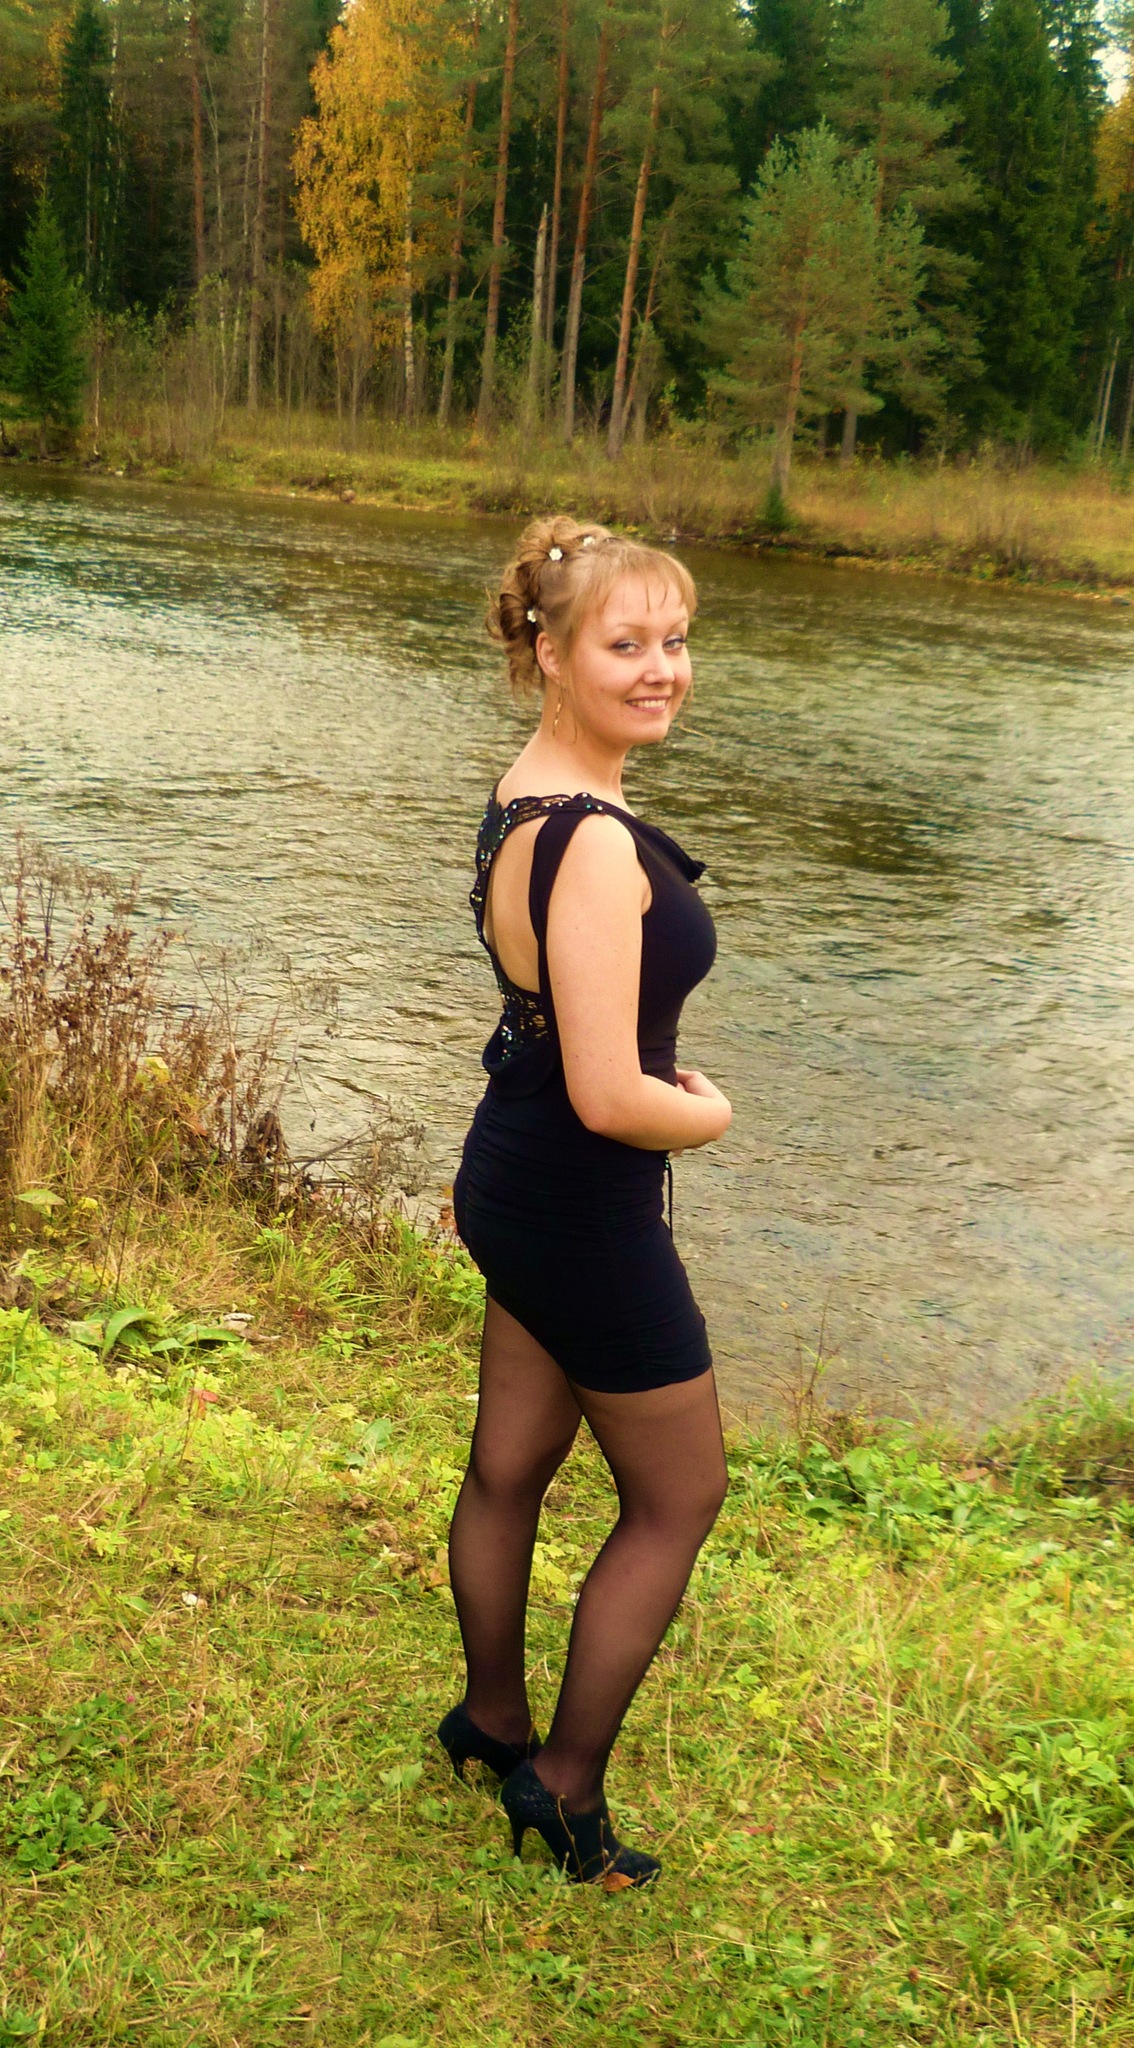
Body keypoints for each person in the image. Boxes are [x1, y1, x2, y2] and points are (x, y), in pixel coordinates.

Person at [438, 514, 732, 1889]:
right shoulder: (596, 842)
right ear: (552, 653)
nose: (662, 668)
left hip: (518, 1173)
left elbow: (562, 1030)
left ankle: (489, 1719)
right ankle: (562, 1791)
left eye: (675, 640)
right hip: (581, 1200)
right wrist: (707, 1111)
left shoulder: (528, 794)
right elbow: (614, 1095)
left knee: (510, 1465)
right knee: (679, 1496)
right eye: (627, 644)